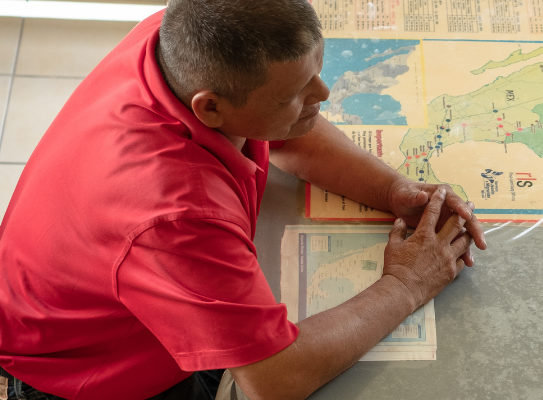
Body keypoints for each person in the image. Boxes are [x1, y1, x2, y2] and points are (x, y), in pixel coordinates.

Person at [0, 1, 487, 399]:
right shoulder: (175, 213)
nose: (325, 93)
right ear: (208, 106)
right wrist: (406, 283)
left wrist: (390, 189)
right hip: (88, 372)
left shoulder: (177, 41)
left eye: (317, 71)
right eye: (296, 93)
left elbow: (282, 129)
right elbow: (274, 378)